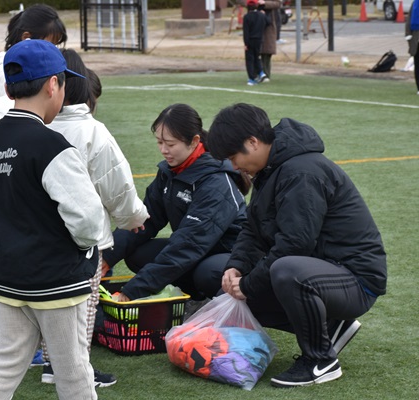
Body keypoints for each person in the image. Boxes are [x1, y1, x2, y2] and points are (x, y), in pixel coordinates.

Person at [206, 103, 387, 388]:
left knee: (286, 270)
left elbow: (295, 244)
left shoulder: (301, 171)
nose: (234, 166)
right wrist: (236, 266)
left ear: (252, 142)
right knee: (229, 293)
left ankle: (321, 361)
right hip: (321, 271)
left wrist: (250, 283)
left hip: (356, 280)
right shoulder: (270, 168)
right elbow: (253, 229)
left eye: (233, 157)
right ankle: (330, 326)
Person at [0, 39, 104, 400]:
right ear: (54, 85)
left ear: (9, 88)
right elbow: (88, 219)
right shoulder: (51, 145)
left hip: (6, 276)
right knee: (73, 369)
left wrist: (9, 237)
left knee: (4, 360)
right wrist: (82, 249)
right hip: (55, 281)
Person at [39, 48, 149, 388]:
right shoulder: (91, 130)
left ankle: (50, 361)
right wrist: (133, 217)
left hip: (40, 238)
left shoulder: (37, 127)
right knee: (83, 307)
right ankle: (75, 367)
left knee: (49, 303)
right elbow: (116, 182)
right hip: (82, 241)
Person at [0, 2, 66, 362]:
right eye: (52, 43)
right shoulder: (23, 125)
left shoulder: (6, 118)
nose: (56, 51)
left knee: (8, 355)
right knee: (63, 361)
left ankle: (3, 340)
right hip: (5, 188)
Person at [103, 103, 249, 304]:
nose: (164, 150)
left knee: (207, 272)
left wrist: (134, 290)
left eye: (170, 144)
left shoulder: (216, 182)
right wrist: (106, 256)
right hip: (197, 249)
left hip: (228, 255)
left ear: (194, 141)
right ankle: (189, 297)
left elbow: (189, 244)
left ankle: (210, 303)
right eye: (159, 142)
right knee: (138, 254)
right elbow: (145, 219)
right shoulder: (170, 171)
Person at [0, 3, 67, 100]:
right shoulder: (10, 70)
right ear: (26, 38)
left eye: (56, 45)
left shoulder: (27, 66)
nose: (55, 50)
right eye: (51, 44)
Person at [243, 0, 269, 86]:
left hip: (250, 40)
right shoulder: (261, 15)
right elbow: (268, 22)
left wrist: (246, 43)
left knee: (249, 60)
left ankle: (251, 78)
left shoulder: (247, 17)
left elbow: (246, 32)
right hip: (259, 40)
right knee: (257, 57)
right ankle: (261, 72)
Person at [257, 0, 280, 81]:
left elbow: (277, 3)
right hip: (255, 23)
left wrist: (264, 3)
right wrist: (254, 3)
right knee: (254, 52)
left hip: (268, 26)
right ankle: (256, 73)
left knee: (267, 52)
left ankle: (265, 74)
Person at [406, 0, 419, 95]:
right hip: (416, 38)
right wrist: (408, 35)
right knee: (417, 64)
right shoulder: (415, 3)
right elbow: (409, 20)